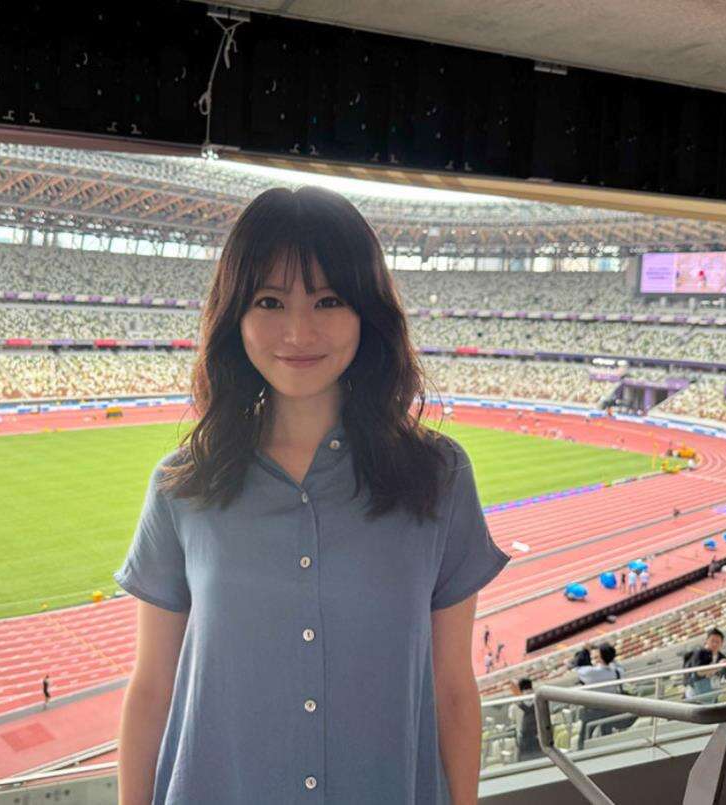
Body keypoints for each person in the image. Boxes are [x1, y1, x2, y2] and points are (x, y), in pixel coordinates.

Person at [114, 187, 509, 805]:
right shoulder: (184, 484)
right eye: (269, 301)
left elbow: (453, 688)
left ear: (366, 312)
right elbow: (152, 688)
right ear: (236, 316)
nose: (298, 331)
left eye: (329, 300)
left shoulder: (438, 476)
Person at [575, 643, 632, 749]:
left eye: (596, 656)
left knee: (584, 736)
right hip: (611, 707)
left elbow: (578, 667)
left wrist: (584, 651)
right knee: (606, 733)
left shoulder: (591, 672)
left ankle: (581, 751)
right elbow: (616, 664)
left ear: (600, 658)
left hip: (593, 709)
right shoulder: (617, 671)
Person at [683, 628, 726, 703]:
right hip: (695, 694)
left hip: (711, 695)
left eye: (717, 642)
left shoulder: (722, 657)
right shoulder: (700, 653)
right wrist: (718, 666)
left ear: (721, 644)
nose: (715, 644)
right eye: (712, 641)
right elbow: (699, 672)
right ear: (706, 641)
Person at [510, 678, 542, 761]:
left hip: (526, 736)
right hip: (537, 734)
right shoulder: (538, 700)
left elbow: (512, 719)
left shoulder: (515, 705)